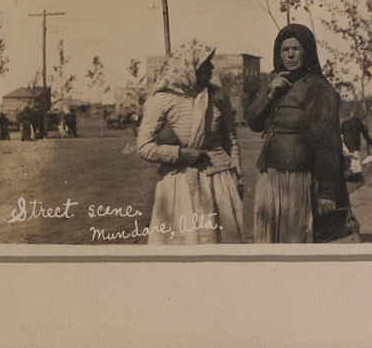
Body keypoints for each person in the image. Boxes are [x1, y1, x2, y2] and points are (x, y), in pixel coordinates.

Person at [247, 24, 357, 243]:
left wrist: (327, 192)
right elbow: (253, 123)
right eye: (284, 49)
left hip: (298, 180)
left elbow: (327, 143)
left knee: (295, 238)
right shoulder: (278, 85)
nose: (290, 54)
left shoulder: (318, 88)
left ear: (307, 51)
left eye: (296, 49)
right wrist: (269, 95)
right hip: (270, 177)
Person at [136, 40, 244, 244]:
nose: (211, 69)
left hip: (218, 182)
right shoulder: (160, 101)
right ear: (188, 67)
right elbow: (143, 147)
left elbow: (231, 140)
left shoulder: (217, 97)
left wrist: (238, 178)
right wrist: (179, 154)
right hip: (180, 183)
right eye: (205, 64)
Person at [340, 108, 372, 183]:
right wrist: (370, 141)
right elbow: (365, 133)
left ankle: (350, 174)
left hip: (346, 143)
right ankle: (356, 176)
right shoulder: (358, 122)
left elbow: (340, 134)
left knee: (349, 159)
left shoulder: (344, 123)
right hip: (354, 144)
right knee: (355, 159)